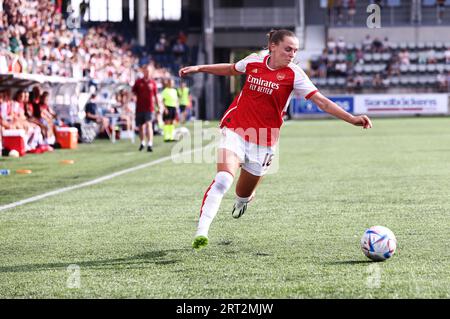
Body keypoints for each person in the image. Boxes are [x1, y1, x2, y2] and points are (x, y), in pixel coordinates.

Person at [179, 29, 372, 250]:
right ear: (273, 46)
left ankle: (245, 199)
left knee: (243, 193)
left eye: (295, 50)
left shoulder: (294, 74)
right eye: (288, 49)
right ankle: (201, 232)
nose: (292, 54)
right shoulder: (255, 60)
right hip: (235, 129)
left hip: (264, 140)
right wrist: (200, 68)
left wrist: (352, 119)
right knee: (223, 179)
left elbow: (322, 102)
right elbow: (232, 69)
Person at [132, 65, 159, 152]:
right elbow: (132, 92)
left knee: (149, 124)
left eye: (148, 71)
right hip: (139, 107)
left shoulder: (153, 83)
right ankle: (142, 142)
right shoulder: (138, 82)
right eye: (145, 71)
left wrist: (158, 106)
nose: (147, 72)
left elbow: (155, 96)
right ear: (143, 71)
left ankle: (150, 143)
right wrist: (126, 103)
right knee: (140, 127)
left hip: (149, 108)